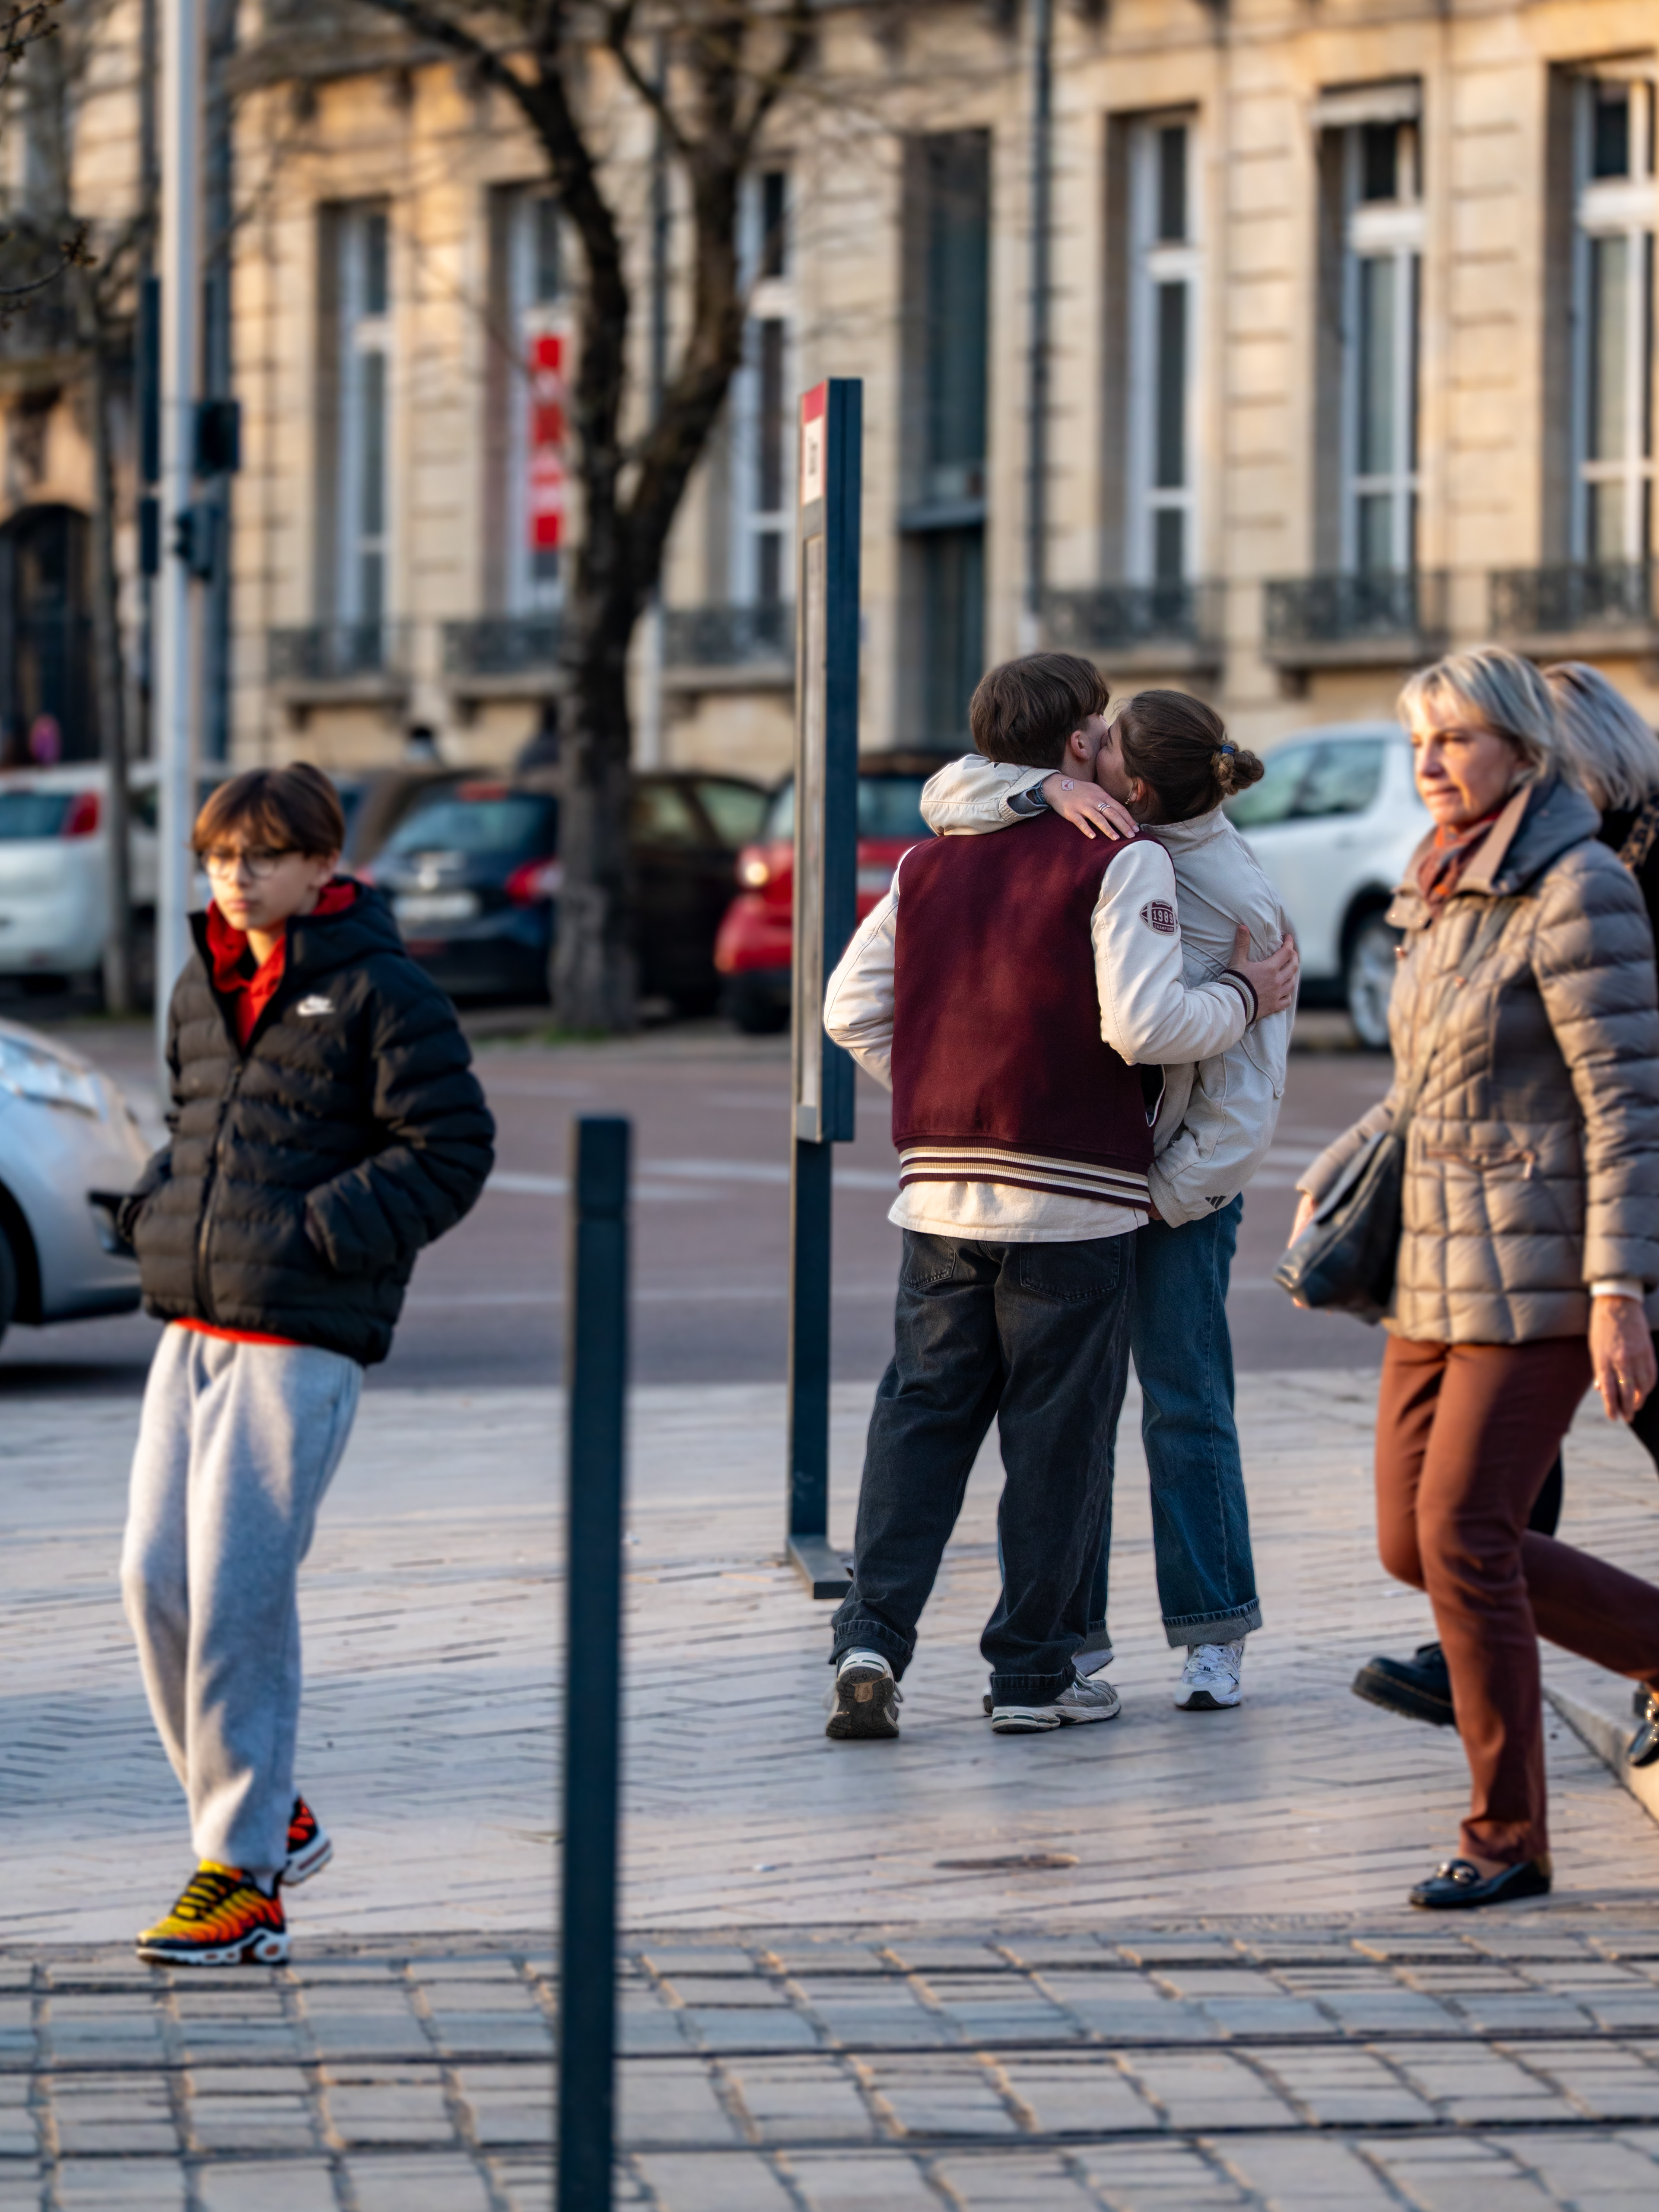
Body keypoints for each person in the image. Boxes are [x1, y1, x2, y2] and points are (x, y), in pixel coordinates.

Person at [820, 653, 1298, 1739]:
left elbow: (850, 1010)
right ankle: (1034, 1676)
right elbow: (1144, 1027)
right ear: (1078, 744)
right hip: (1073, 1192)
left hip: (941, 1189)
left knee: (921, 1418)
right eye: (1099, 724)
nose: (1105, 740)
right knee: (1056, 1435)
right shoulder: (1119, 857)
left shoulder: (928, 860)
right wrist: (1239, 992)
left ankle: (867, 1641)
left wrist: (949, 1093)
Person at [1289, 645, 1659, 1910]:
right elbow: (1426, 1080)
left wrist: (1619, 1293)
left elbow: (1627, 1113)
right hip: (1437, 1265)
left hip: (1545, 1268)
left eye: (1454, 740)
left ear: (1523, 749)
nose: (1431, 765)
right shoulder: (1437, 877)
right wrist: (1342, 1162)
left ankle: (1506, 1837)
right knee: (1413, 1544)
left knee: (1466, 1534)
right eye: (1419, 744)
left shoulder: (1582, 888)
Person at [117, 763, 495, 1965]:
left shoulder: (384, 989)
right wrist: (153, 1213)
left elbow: (452, 1148)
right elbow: (193, 1129)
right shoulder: (202, 981)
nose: (237, 877)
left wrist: (319, 1236)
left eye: (265, 856)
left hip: (298, 1338)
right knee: (154, 1583)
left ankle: (243, 1882)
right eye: (222, 856)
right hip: (193, 1326)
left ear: (324, 865)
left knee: (239, 1597)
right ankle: (263, 1804)